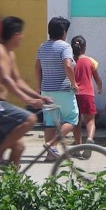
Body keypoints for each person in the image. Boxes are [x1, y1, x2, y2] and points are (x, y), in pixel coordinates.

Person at [0, 16, 51, 166]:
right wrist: (28, 100)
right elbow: (6, 79)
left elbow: (18, 80)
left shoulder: (10, 54)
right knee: (30, 119)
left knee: (19, 147)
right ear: (16, 35)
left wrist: (39, 96)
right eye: (21, 34)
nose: (22, 37)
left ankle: (10, 180)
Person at [34, 17, 81, 158]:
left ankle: (50, 155)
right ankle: (52, 144)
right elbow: (68, 65)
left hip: (46, 90)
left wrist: (38, 86)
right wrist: (74, 83)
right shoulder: (65, 47)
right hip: (63, 89)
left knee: (50, 122)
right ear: (64, 32)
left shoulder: (42, 46)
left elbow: (37, 67)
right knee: (72, 119)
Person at [71, 35, 103, 146]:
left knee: (76, 122)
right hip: (87, 94)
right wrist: (99, 88)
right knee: (90, 121)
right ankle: (89, 139)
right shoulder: (90, 61)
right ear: (84, 48)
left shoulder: (69, 61)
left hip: (73, 94)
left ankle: (78, 144)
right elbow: (97, 79)